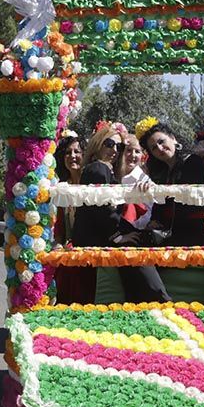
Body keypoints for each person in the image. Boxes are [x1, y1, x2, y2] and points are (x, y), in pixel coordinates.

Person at [71, 125, 170, 303]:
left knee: (137, 243)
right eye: (109, 144)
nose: (114, 150)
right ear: (98, 144)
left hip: (102, 235)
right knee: (134, 252)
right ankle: (160, 300)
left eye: (119, 147)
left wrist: (130, 232)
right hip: (95, 239)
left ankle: (145, 301)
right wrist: (119, 237)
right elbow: (102, 210)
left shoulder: (106, 171)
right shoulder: (98, 168)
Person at [138, 119, 204, 247]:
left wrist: (162, 191)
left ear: (173, 138)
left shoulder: (193, 161)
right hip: (167, 235)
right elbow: (159, 203)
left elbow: (192, 200)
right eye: (154, 148)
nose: (160, 148)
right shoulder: (161, 172)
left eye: (161, 141)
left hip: (191, 234)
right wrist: (154, 220)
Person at [116, 133, 152, 231]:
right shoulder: (115, 176)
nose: (133, 155)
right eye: (129, 150)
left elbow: (149, 211)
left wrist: (132, 226)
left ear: (142, 156)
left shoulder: (144, 180)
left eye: (137, 151)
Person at [52, 133, 84, 246]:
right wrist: (58, 244)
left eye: (77, 151)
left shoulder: (90, 184)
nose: (72, 156)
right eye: (67, 153)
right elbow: (60, 225)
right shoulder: (63, 186)